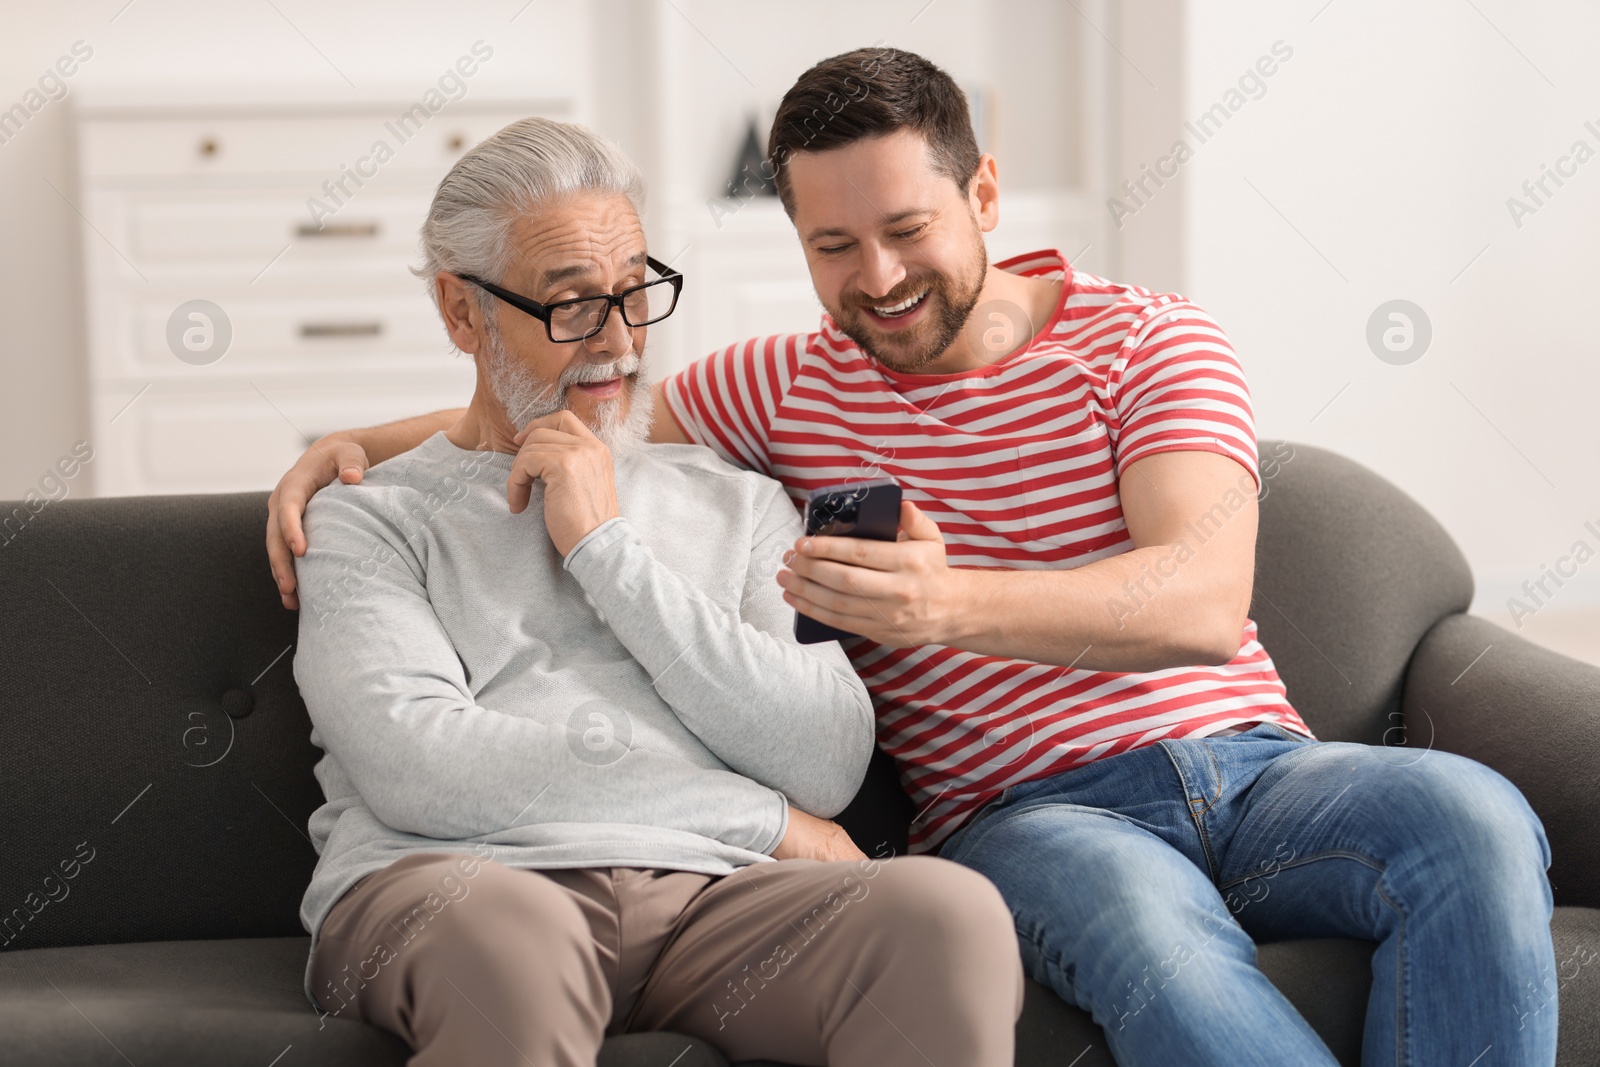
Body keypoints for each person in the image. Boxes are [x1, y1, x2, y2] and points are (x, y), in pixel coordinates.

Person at [273, 49, 1557, 1066]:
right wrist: (344, 446)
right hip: (1029, 814)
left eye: (906, 228)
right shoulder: (775, 390)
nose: (876, 277)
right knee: (1147, 931)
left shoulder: (1149, 342)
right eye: (831, 246)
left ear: (982, 194)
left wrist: (946, 603)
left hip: (1262, 772)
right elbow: (573, 394)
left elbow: (1199, 600)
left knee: (1474, 815)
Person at [290, 115, 1024, 1067]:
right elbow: (422, 764)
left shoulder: (743, 501)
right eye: (572, 305)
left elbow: (827, 753)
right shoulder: (368, 518)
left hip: (715, 904)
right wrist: (756, 820)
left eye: (636, 293)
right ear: (461, 312)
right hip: (460, 885)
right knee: (518, 943)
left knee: (945, 910)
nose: (618, 340)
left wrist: (606, 548)